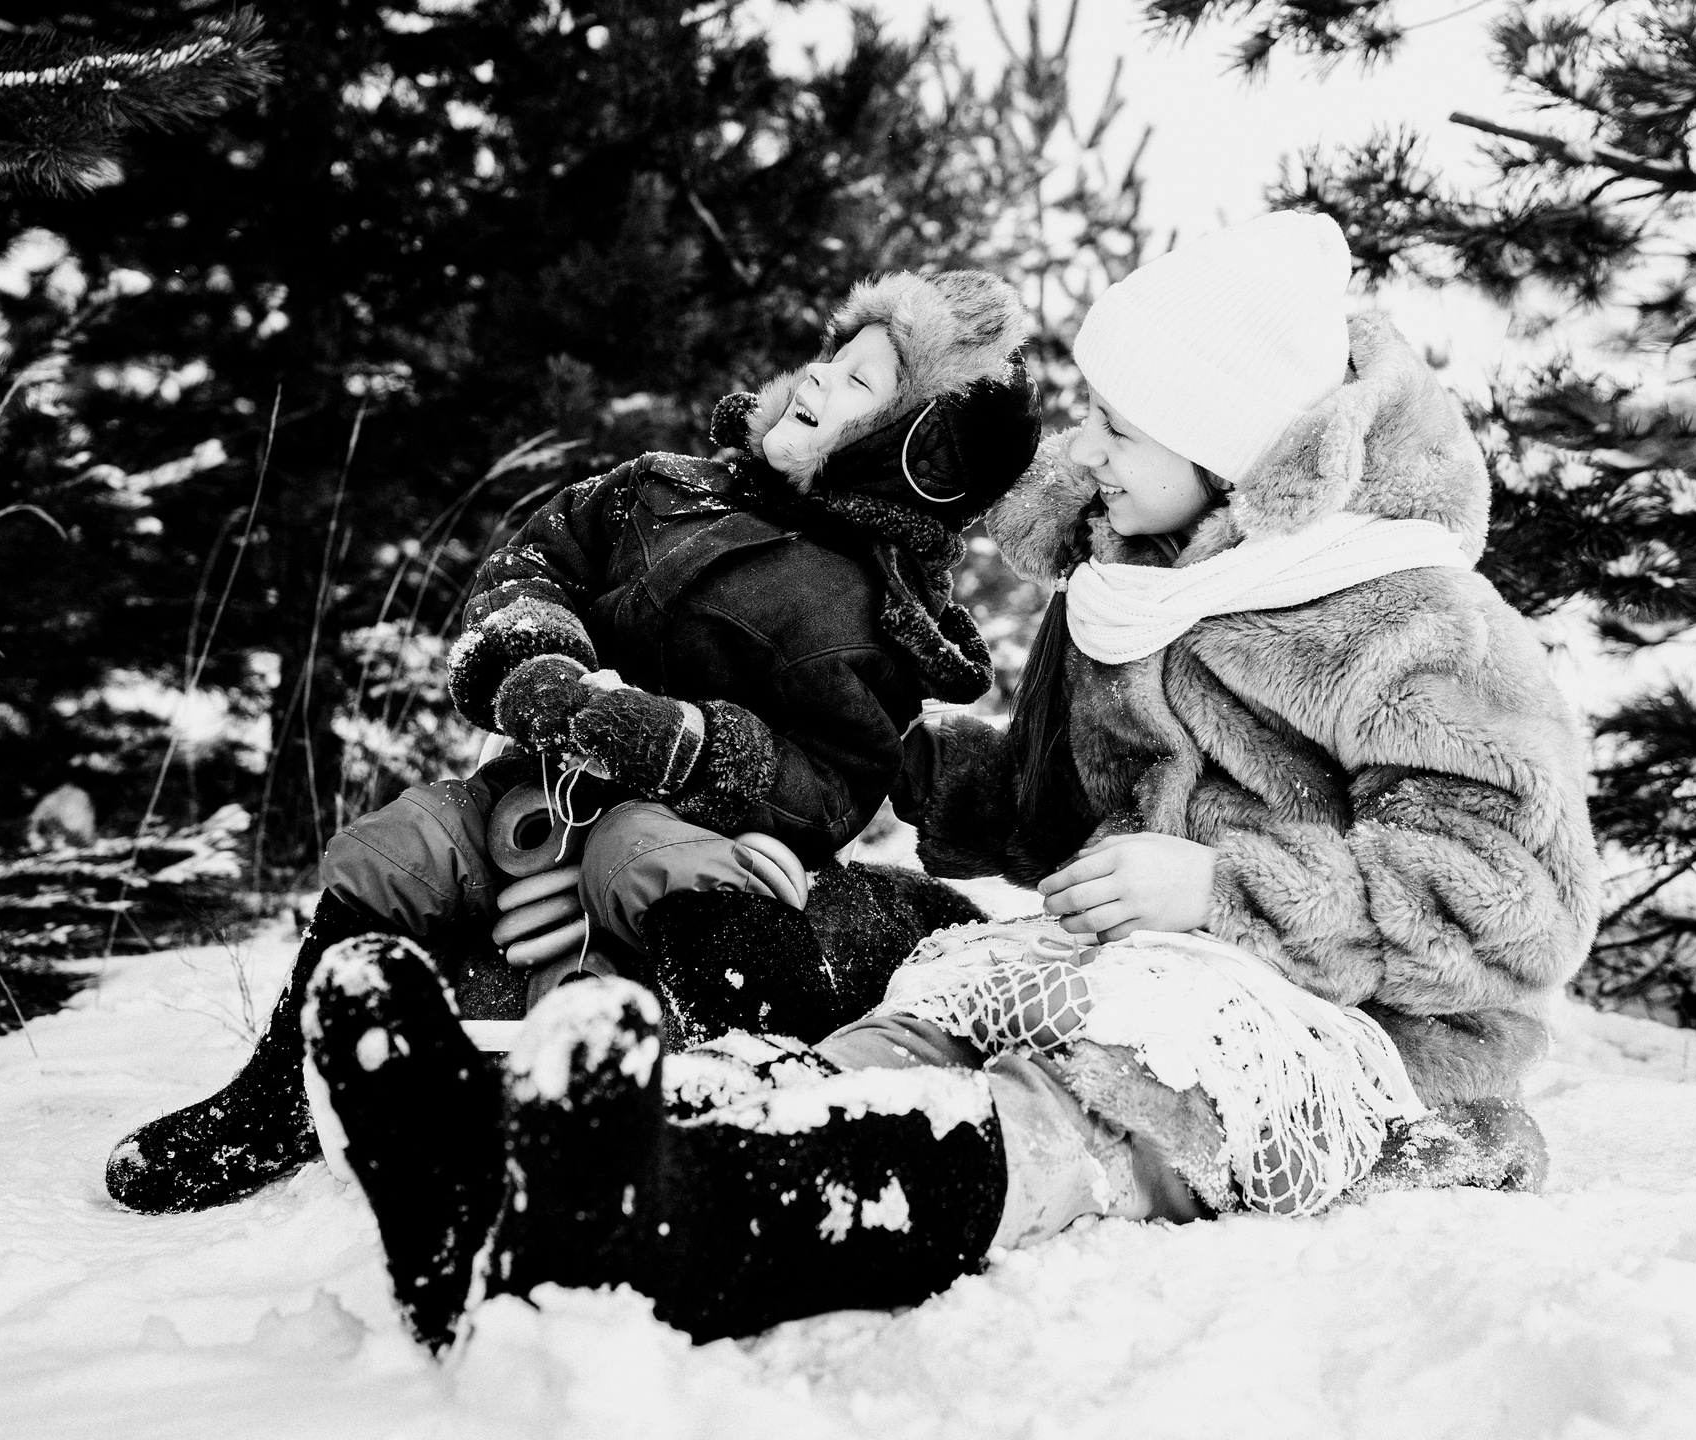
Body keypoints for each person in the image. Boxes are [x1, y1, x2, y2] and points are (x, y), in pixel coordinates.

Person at [300, 211, 1602, 1350]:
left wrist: (1219, 888)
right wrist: (892, 761)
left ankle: (731, 1223)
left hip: (1353, 1033)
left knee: (1082, 1091)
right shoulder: (1128, 591)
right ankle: (562, 1160)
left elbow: (1507, 896)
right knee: (921, 1016)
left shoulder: (1413, 616)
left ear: (1238, 452)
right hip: (1148, 960)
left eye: (1120, 425)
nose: (1084, 450)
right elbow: (1048, 818)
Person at [102, 270, 1041, 1216]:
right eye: (834, 355)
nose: (818, 379)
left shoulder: (867, 618)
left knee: (645, 853)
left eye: (861, 384)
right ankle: (282, 1094)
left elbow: (836, 781)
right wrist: (541, 659)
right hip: (538, 791)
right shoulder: (661, 488)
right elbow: (533, 560)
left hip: (694, 839)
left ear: (905, 454)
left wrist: (687, 745)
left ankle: (740, 1079)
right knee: (403, 845)